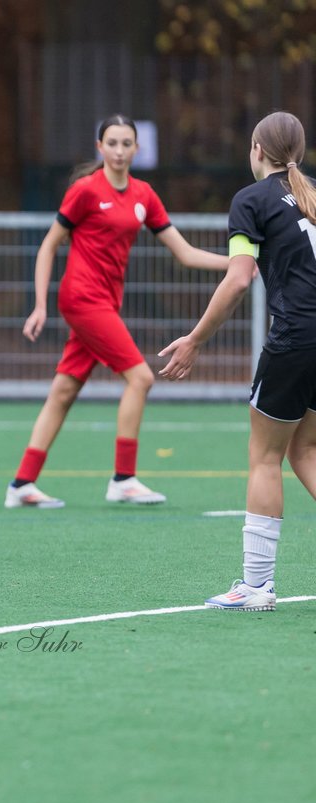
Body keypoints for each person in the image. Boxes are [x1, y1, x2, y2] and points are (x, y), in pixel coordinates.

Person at [6, 114, 230, 510]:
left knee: (64, 390)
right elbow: (48, 246)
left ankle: (21, 484)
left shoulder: (144, 195)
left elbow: (185, 253)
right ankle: (123, 479)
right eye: (112, 143)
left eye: (127, 144)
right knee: (141, 378)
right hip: (81, 299)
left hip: (105, 304)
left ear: (136, 149)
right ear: (100, 147)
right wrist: (40, 304)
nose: (120, 151)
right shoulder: (85, 191)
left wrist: (237, 264)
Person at [160, 111, 316, 612]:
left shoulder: (250, 200)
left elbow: (238, 278)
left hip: (295, 339)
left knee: (266, 457)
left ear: (256, 149)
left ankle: (256, 586)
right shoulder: (312, 193)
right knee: (306, 451)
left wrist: (195, 339)